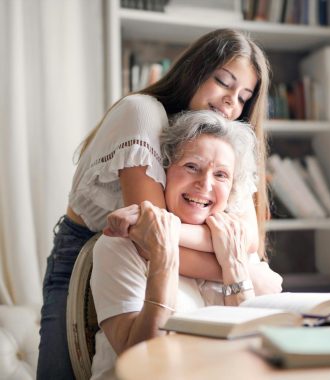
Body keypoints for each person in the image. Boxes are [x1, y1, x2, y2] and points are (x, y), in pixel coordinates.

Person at [37, 28, 274, 380]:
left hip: (154, 253)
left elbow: (248, 238)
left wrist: (234, 255)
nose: (230, 103)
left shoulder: (221, 142)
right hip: (87, 254)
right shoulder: (142, 112)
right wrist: (241, 266)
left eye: (243, 97)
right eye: (223, 82)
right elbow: (154, 239)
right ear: (194, 70)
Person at [90, 110, 280, 379]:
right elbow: (146, 358)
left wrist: (236, 266)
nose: (205, 184)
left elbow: (253, 353)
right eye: (192, 166)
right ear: (165, 171)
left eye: (221, 175)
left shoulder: (233, 244)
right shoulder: (118, 247)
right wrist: (163, 258)